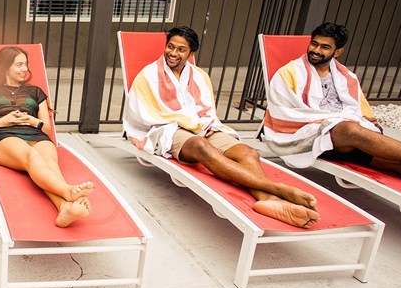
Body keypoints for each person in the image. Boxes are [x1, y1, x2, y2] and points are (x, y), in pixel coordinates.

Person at [124, 26, 320, 228]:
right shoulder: (148, 75)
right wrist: (187, 123)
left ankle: (269, 201)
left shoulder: (199, 76)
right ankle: (278, 190)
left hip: (202, 127)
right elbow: (143, 114)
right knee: (201, 146)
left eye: (181, 49)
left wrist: (200, 124)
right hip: (166, 129)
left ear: (191, 53)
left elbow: (207, 109)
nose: (173, 53)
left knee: (248, 153)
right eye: (170, 47)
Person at [265, 22, 401, 193]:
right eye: (314, 44)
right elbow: (283, 113)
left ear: (338, 51)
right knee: (350, 129)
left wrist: (358, 123)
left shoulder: (346, 77)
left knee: (399, 165)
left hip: (350, 139)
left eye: (325, 47)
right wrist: (335, 122)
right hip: (313, 135)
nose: (316, 51)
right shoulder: (289, 73)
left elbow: (363, 113)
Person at [0, 46, 93, 228]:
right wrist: (2, 121)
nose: (24, 69)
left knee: (50, 164)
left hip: (36, 134)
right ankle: (67, 190)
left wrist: (31, 120)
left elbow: (47, 130)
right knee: (32, 156)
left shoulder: (36, 92)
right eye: (19, 65)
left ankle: (64, 207)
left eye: (26, 65)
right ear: (5, 67)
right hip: (4, 138)